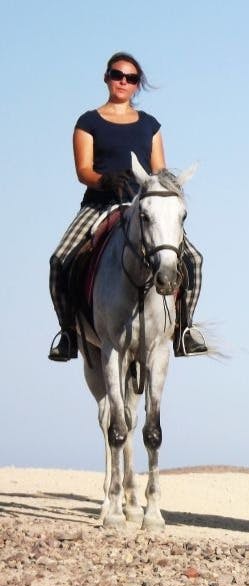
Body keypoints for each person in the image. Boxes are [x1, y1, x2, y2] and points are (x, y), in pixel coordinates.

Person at [48, 51, 206, 361]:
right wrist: (105, 180)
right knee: (60, 259)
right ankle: (67, 332)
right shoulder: (88, 121)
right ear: (106, 78)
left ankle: (184, 330)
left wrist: (164, 189)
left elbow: (160, 171)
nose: (123, 81)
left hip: (144, 209)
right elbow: (83, 170)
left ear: (137, 85)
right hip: (100, 203)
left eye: (130, 78)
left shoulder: (150, 125)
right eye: (117, 74)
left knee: (194, 259)